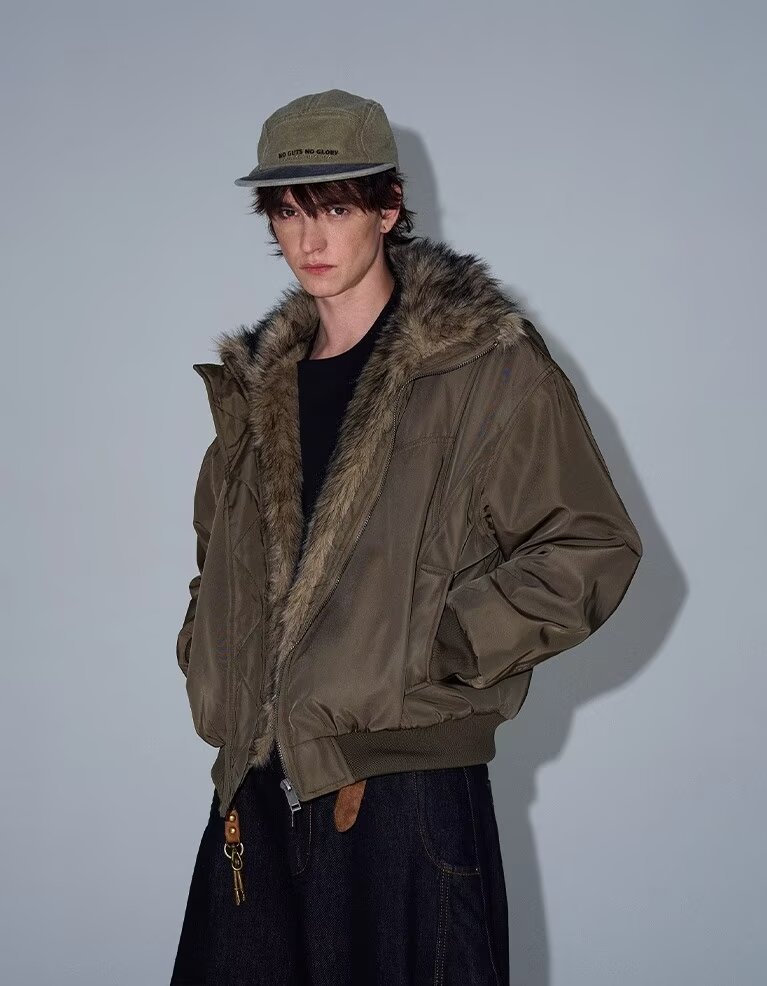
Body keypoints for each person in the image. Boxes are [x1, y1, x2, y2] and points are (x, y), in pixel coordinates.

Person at [170, 88, 643, 986]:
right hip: (255, 790)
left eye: (334, 208)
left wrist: (440, 640)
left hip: (403, 797)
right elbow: (215, 559)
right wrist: (209, 655)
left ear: (387, 208)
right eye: (288, 212)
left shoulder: (483, 368)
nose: (309, 239)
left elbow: (590, 544)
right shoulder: (257, 390)